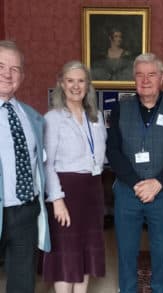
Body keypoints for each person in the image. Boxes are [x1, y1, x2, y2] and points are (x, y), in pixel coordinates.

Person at [106, 53, 163, 293]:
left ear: (162, 78)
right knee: (126, 251)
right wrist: (136, 183)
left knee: (162, 251)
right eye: (140, 75)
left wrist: (158, 183)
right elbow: (113, 151)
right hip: (126, 191)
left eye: (151, 74)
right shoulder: (120, 109)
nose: (145, 80)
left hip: (162, 193)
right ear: (134, 79)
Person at [41, 60, 107, 293]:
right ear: (61, 83)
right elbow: (46, 163)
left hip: (93, 189)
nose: (76, 86)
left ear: (88, 85)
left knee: (87, 253)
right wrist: (57, 200)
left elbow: (100, 155)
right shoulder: (53, 118)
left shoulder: (96, 117)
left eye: (81, 81)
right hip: (66, 191)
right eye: (70, 81)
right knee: (66, 255)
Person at [0, 40, 51, 293]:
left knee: (23, 282)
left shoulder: (32, 116)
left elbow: (40, 163)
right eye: (1, 66)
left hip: (26, 213)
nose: (7, 74)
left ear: (22, 75)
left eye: (15, 69)